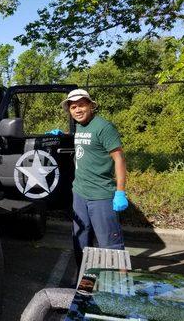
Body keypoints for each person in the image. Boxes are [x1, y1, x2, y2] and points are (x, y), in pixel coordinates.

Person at [61, 89, 128, 266]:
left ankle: (117, 288)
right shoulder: (79, 127)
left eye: (81, 105)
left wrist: (120, 191)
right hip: (80, 194)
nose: (77, 110)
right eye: (73, 107)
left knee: (111, 247)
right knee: (81, 242)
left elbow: (119, 159)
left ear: (91, 106)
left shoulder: (104, 127)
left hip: (101, 196)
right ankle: (85, 283)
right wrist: (61, 136)